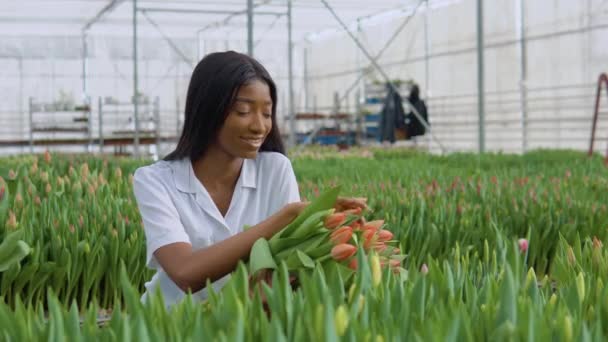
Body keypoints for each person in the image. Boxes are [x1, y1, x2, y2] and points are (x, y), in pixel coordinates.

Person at [132, 51, 367, 308]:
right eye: (243, 111)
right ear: (208, 110)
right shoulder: (155, 180)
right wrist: (289, 216)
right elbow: (185, 273)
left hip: (249, 321)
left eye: (267, 113)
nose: (259, 126)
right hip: (167, 323)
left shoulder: (275, 169)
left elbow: (284, 267)